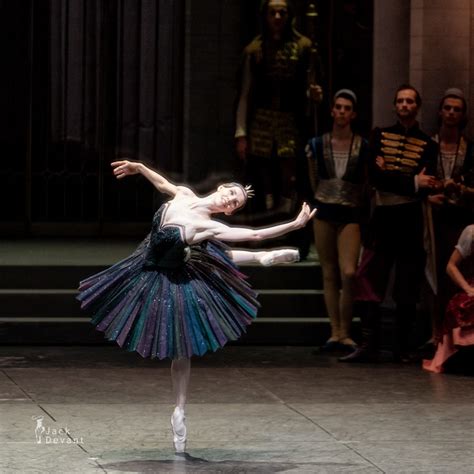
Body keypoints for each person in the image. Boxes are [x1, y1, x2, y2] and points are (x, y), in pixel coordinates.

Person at [77, 159, 315, 453]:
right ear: (221, 187)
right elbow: (163, 183)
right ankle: (258, 259)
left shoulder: (209, 224)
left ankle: (179, 409)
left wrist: (295, 224)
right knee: (205, 254)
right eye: (232, 193)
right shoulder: (185, 194)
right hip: (150, 262)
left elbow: (254, 234)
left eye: (236, 204)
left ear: (229, 211)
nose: (231, 200)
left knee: (181, 345)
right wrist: (139, 167)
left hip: (175, 272)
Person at [340, 84, 438, 363]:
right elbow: (375, 177)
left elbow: (428, 184)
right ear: (394, 106)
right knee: (368, 278)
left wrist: (404, 181)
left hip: (410, 219)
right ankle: (369, 343)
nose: (405, 105)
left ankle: (402, 348)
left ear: (417, 106)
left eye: (410, 101)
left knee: (407, 286)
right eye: (400, 101)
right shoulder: (379, 136)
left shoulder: (429, 145)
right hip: (383, 219)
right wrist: (411, 181)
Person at [235, 0, 322, 215]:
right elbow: (244, 93)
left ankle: (286, 212)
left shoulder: (303, 46)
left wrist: (315, 95)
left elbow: (311, 84)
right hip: (261, 120)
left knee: (289, 172)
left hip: (290, 120)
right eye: (272, 13)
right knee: (261, 172)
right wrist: (241, 132)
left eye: (282, 13)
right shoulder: (254, 49)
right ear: (265, 16)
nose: (277, 17)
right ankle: (266, 212)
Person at [306, 89, 369, 352]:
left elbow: (365, 181)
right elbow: (313, 178)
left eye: (347, 108)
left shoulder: (362, 145)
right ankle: (336, 331)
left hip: (350, 210)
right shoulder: (318, 144)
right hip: (325, 209)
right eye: (338, 107)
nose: (342, 112)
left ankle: (346, 330)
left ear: (352, 114)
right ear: (332, 110)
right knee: (329, 272)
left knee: (349, 272)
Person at [425, 88, 474, 348]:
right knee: (435, 274)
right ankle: (435, 331)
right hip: (434, 217)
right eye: (448, 108)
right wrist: (427, 198)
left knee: (460, 270)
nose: (451, 113)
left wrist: (461, 190)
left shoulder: (469, 149)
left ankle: (458, 331)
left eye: (457, 109)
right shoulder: (429, 146)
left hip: (462, 218)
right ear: (440, 111)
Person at [423, 224, 474, 372]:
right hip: (472, 286)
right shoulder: (471, 232)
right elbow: (451, 266)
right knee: (465, 305)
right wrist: (467, 288)